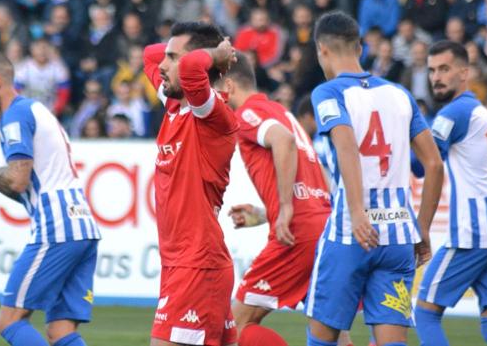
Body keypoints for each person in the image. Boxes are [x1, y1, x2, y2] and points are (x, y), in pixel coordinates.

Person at [0, 51, 100, 346]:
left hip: (57, 227)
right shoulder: (33, 109)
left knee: (9, 320)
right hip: (81, 226)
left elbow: (17, 180)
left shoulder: (14, 116)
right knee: (61, 332)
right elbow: (26, 190)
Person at [305, 11, 444, 346]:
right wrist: (421, 228)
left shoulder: (328, 93)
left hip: (350, 233)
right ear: (360, 48)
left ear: (322, 50)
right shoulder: (400, 94)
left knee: (322, 337)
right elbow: (435, 164)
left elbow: (347, 146)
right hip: (398, 234)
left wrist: (356, 212)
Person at [214, 52, 342, 346]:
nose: (215, 97)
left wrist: (285, 208)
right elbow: (319, 173)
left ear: (230, 86)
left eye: (216, 89)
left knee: (234, 326)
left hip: (296, 234)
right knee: (329, 330)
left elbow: (282, 141)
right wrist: (264, 213)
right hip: (322, 227)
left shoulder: (247, 113)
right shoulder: (281, 112)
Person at [414, 40, 487, 346]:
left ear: (465, 72)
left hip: (476, 230)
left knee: (425, 312)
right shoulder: (477, 109)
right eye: (432, 70)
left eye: (445, 69)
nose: (436, 77)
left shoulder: (454, 112)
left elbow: (422, 166)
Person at [142, 22, 239, 346]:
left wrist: (216, 54)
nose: (162, 65)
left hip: (197, 266)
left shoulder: (212, 115)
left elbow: (195, 66)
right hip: (184, 264)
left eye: (173, 58)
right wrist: (195, 50)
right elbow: (148, 55)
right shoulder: (174, 106)